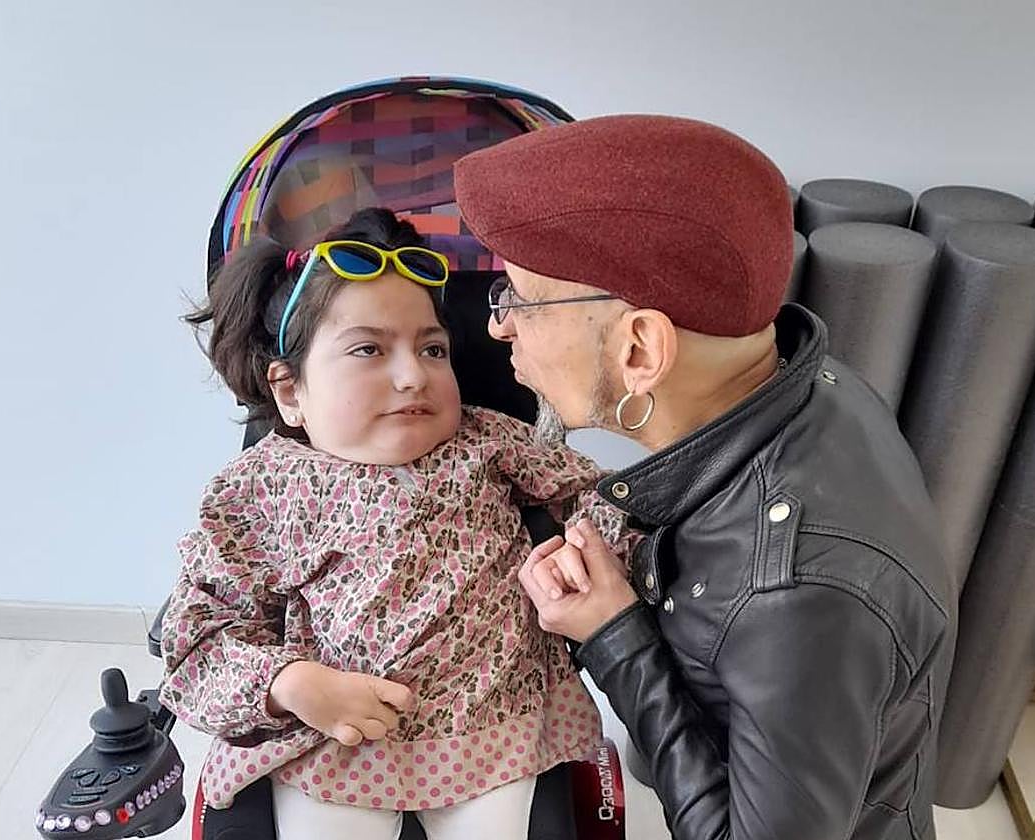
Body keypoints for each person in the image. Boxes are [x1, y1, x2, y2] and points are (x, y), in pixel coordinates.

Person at [454, 115, 955, 840]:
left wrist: (614, 637)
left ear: (640, 350)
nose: (500, 325)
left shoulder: (795, 595)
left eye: (523, 300)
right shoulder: (815, 387)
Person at [159, 208, 637, 840]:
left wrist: (593, 552)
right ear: (290, 391)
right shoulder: (258, 488)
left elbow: (605, 500)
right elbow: (198, 638)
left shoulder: (489, 441)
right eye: (369, 349)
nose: (414, 375)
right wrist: (288, 684)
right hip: (330, 739)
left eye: (433, 349)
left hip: (492, 729)